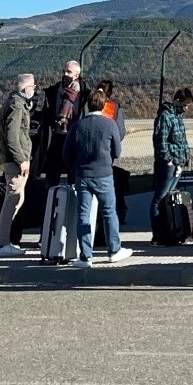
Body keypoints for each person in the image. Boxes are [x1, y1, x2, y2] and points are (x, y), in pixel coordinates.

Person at [62, 88, 130, 269]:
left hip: (83, 175)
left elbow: (66, 154)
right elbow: (117, 151)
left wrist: (76, 167)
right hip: (104, 174)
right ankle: (114, 249)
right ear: (104, 105)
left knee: (83, 215)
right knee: (109, 212)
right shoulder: (109, 125)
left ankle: (85, 256)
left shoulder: (78, 126)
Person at [0, 74, 38, 257]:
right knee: (12, 199)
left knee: (17, 199)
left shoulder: (15, 103)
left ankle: (3, 242)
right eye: (32, 86)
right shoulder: (17, 106)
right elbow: (12, 137)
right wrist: (21, 159)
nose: (34, 90)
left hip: (13, 160)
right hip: (15, 162)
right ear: (26, 88)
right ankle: (1, 243)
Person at [151, 87, 193, 230]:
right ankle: (158, 233)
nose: (186, 108)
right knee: (160, 198)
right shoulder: (166, 116)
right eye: (184, 105)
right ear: (176, 101)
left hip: (178, 163)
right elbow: (161, 141)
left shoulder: (178, 117)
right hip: (169, 164)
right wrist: (168, 160)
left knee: (168, 197)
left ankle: (167, 228)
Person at [40, 61, 85, 185]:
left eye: (69, 72)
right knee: (52, 174)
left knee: (74, 176)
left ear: (76, 75)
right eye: (64, 71)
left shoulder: (83, 94)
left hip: (75, 139)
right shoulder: (53, 92)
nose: (65, 74)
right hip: (56, 138)